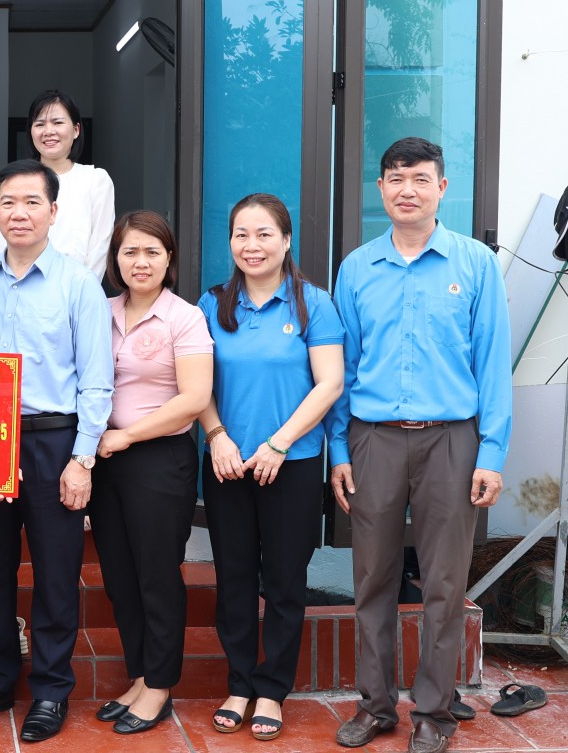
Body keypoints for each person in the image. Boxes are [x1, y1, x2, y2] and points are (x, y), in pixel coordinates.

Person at [329, 138, 511, 753]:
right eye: (396, 178)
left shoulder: (475, 264)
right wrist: (339, 450)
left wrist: (491, 453)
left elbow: (493, 364)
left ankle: (434, 712)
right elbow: (344, 367)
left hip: (452, 442)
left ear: (442, 188)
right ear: (380, 188)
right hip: (374, 440)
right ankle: (375, 705)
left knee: (443, 584)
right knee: (372, 579)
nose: (407, 189)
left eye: (420, 178)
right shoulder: (357, 268)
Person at [0, 160, 114, 743]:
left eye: (31, 202)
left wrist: (82, 458)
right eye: (7, 202)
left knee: (56, 572)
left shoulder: (78, 283)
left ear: (53, 211)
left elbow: (96, 380)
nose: (18, 213)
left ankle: (50, 689)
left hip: (54, 441)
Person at [196, 194, 344, 742]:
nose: (251, 245)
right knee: (233, 577)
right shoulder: (212, 304)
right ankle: (239, 684)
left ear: (285, 240)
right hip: (227, 464)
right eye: (241, 234)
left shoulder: (313, 304)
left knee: (284, 582)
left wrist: (279, 444)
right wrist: (216, 436)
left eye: (264, 234)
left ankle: (272, 690)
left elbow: (329, 383)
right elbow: (197, 385)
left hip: (292, 465)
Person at [91, 211, 213, 735]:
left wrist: (127, 435)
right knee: (120, 578)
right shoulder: (100, 310)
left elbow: (195, 398)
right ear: (115, 259)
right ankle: (140, 676)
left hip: (159, 459)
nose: (140, 262)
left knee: (156, 575)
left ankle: (160, 685)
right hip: (106, 462)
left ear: (169, 259)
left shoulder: (184, 317)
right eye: (130, 252)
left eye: (151, 252)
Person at [0, 90, 114, 279]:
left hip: (73, 286)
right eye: (40, 124)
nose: (48, 131)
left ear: (76, 130)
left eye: (57, 122)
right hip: (16, 284)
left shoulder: (95, 180)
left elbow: (100, 247)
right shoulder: (11, 181)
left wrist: (83, 288)